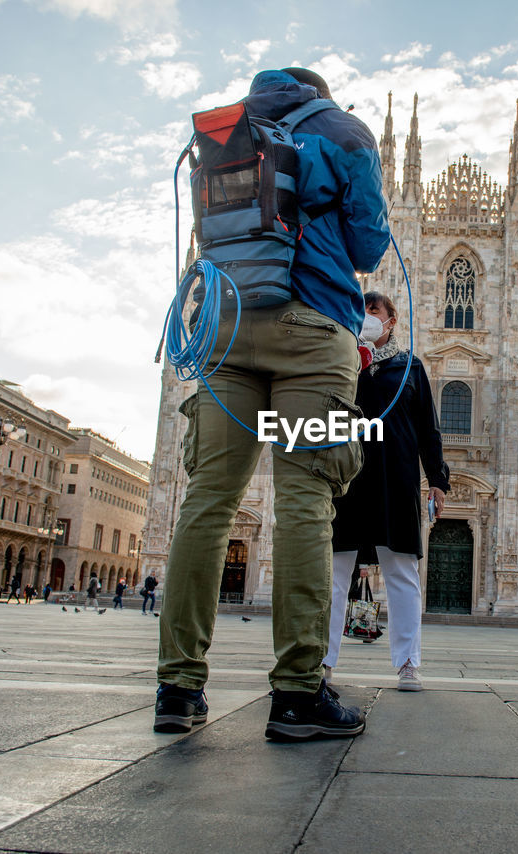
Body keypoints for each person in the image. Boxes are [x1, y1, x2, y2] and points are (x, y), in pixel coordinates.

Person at [156, 66, 389, 741]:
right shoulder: (343, 131)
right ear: (319, 92)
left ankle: (177, 687)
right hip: (312, 335)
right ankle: (295, 695)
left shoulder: (225, 131)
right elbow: (370, 246)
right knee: (305, 504)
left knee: (207, 502)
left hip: (225, 326)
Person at [323, 291, 449, 693]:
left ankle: (408, 664)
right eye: (360, 310)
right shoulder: (343, 363)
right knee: (335, 574)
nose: (366, 316)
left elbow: (428, 429)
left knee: (401, 573)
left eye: (373, 310)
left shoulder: (410, 367)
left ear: (391, 321)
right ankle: (323, 662)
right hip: (349, 477)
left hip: (396, 480)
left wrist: (438, 480)